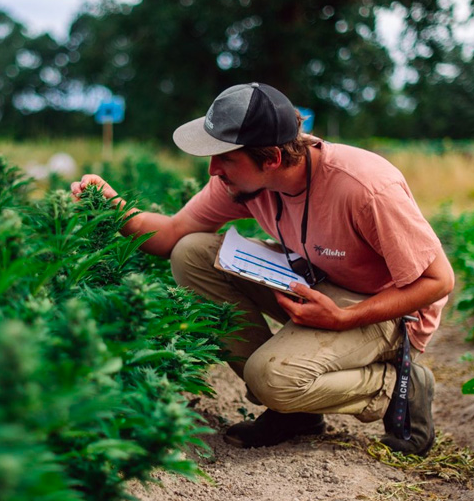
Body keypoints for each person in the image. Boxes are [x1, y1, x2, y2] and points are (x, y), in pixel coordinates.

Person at [70, 82, 454, 456]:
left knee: (270, 379)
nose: (213, 170)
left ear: (271, 157)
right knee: (191, 253)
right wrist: (115, 209)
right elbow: (172, 234)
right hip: (319, 284)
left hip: (390, 311)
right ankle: (297, 412)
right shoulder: (246, 181)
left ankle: (392, 387)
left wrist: (343, 317)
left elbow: (438, 280)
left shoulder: (365, 187)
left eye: (225, 158)